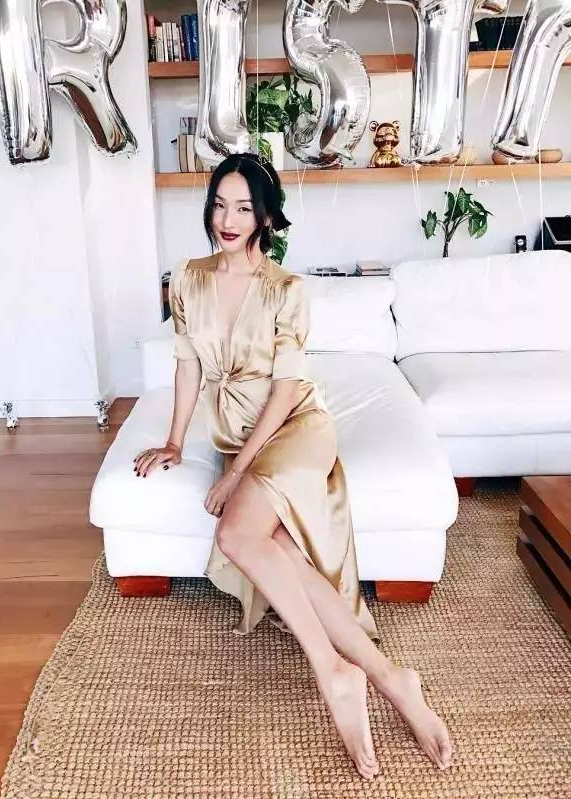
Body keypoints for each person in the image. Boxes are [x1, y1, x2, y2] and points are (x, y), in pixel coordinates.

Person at [133, 152, 453, 780]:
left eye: (243, 207)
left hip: (294, 428)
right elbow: (188, 366)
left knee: (234, 533)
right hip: (239, 436)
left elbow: (284, 391)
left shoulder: (286, 289)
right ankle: (391, 677)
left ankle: (333, 671)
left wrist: (234, 475)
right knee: (273, 544)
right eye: (219, 205)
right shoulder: (188, 279)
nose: (228, 219)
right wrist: (174, 440)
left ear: (265, 217)